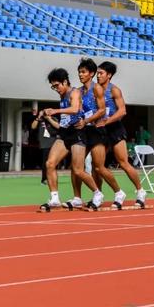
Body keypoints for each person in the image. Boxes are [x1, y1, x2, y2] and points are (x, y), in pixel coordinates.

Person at [40, 68, 104, 212]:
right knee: (50, 163)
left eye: (57, 86)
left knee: (78, 170)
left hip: (77, 134)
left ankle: (97, 194)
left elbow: (75, 109)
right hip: (64, 133)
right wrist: (49, 117)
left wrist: (55, 111)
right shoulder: (62, 95)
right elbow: (63, 121)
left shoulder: (74, 92)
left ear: (65, 82)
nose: (55, 89)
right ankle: (55, 198)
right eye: (53, 87)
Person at [71, 58, 124, 210]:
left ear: (91, 73)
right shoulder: (79, 91)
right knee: (76, 167)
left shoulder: (97, 89)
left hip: (97, 131)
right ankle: (77, 197)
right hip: (85, 131)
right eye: (79, 72)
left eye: (83, 72)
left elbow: (101, 110)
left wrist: (86, 120)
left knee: (99, 167)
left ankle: (118, 193)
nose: (80, 75)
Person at [96, 61, 147, 207]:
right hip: (100, 130)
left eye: (101, 73)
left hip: (115, 128)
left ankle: (140, 191)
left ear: (109, 75)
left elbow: (122, 111)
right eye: (97, 73)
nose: (98, 76)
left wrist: (107, 121)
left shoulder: (114, 90)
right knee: (97, 165)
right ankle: (99, 195)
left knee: (123, 162)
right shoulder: (94, 90)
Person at [32, 109, 57, 184]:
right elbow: (33, 127)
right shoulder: (40, 120)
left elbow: (58, 127)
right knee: (45, 163)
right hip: (44, 144)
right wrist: (39, 116)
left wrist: (49, 118)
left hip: (53, 143)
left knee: (53, 163)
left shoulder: (54, 119)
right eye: (44, 112)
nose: (46, 113)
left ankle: (52, 178)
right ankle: (44, 179)